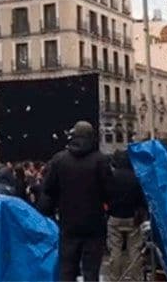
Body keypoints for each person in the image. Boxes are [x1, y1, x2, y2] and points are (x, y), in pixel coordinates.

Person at [44, 121, 111, 282]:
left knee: (67, 270)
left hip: (68, 224)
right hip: (94, 225)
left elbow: (48, 190)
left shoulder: (59, 160)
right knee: (91, 271)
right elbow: (110, 191)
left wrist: (52, 210)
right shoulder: (100, 160)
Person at [106, 150, 147, 281]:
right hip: (133, 218)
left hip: (115, 216)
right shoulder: (136, 177)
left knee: (115, 250)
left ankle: (115, 278)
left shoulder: (110, 177)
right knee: (135, 250)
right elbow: (143, 199)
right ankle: (136, 278)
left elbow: (105, 196)